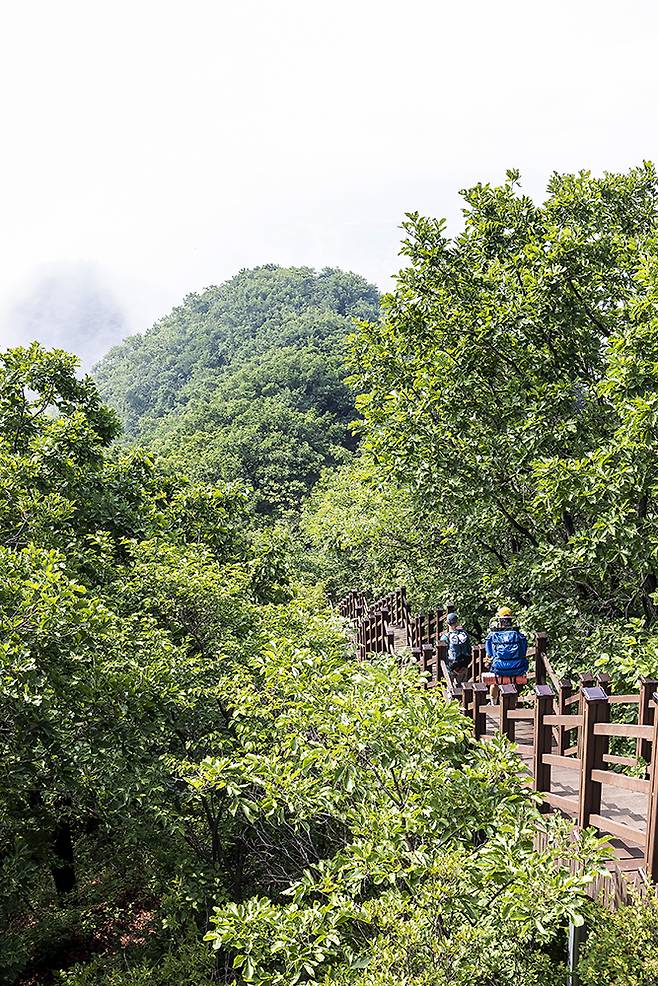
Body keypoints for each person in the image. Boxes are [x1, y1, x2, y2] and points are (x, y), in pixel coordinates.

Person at [484, 606, 528, 700]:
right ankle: (514, 702)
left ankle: (493, 703)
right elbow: (523, 652)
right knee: (514, 683)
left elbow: (490, 653)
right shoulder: (518, 635)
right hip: (517, 668)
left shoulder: (493, 635)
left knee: (494, 683)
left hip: (498, 668)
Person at [440, 612, 472, 690]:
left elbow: (442, 654)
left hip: (451, 665)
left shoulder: (445, 637)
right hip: (464, 664)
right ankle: (463, 700)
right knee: (462, 686)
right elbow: (469, 649)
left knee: (450, 687)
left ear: (447, 623)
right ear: (457, 622)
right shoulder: (464, 634)